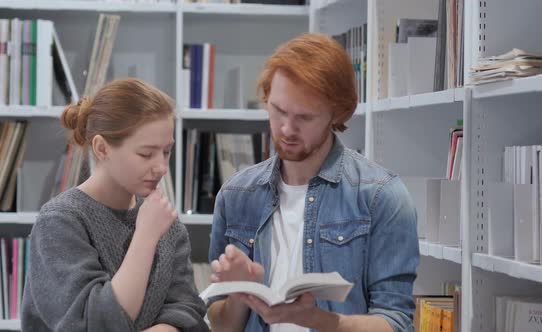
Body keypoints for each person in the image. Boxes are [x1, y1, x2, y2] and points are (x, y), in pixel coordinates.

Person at [207, 33, 419, 332]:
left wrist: (317, 320)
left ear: (337, 113)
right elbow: (221, 326)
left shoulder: (380, 196)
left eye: (305, 117)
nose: (286, 129)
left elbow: (396, 323)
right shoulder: (236, 195)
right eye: (278, 110)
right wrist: (242, 290)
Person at [22, 78, 209, 332]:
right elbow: (94, 322)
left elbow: (187, 309)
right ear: (102, 148)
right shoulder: (60, 221)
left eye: (166, 152)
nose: (162, 168)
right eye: (146, 154)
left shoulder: (165, 221)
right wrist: (145, 236)